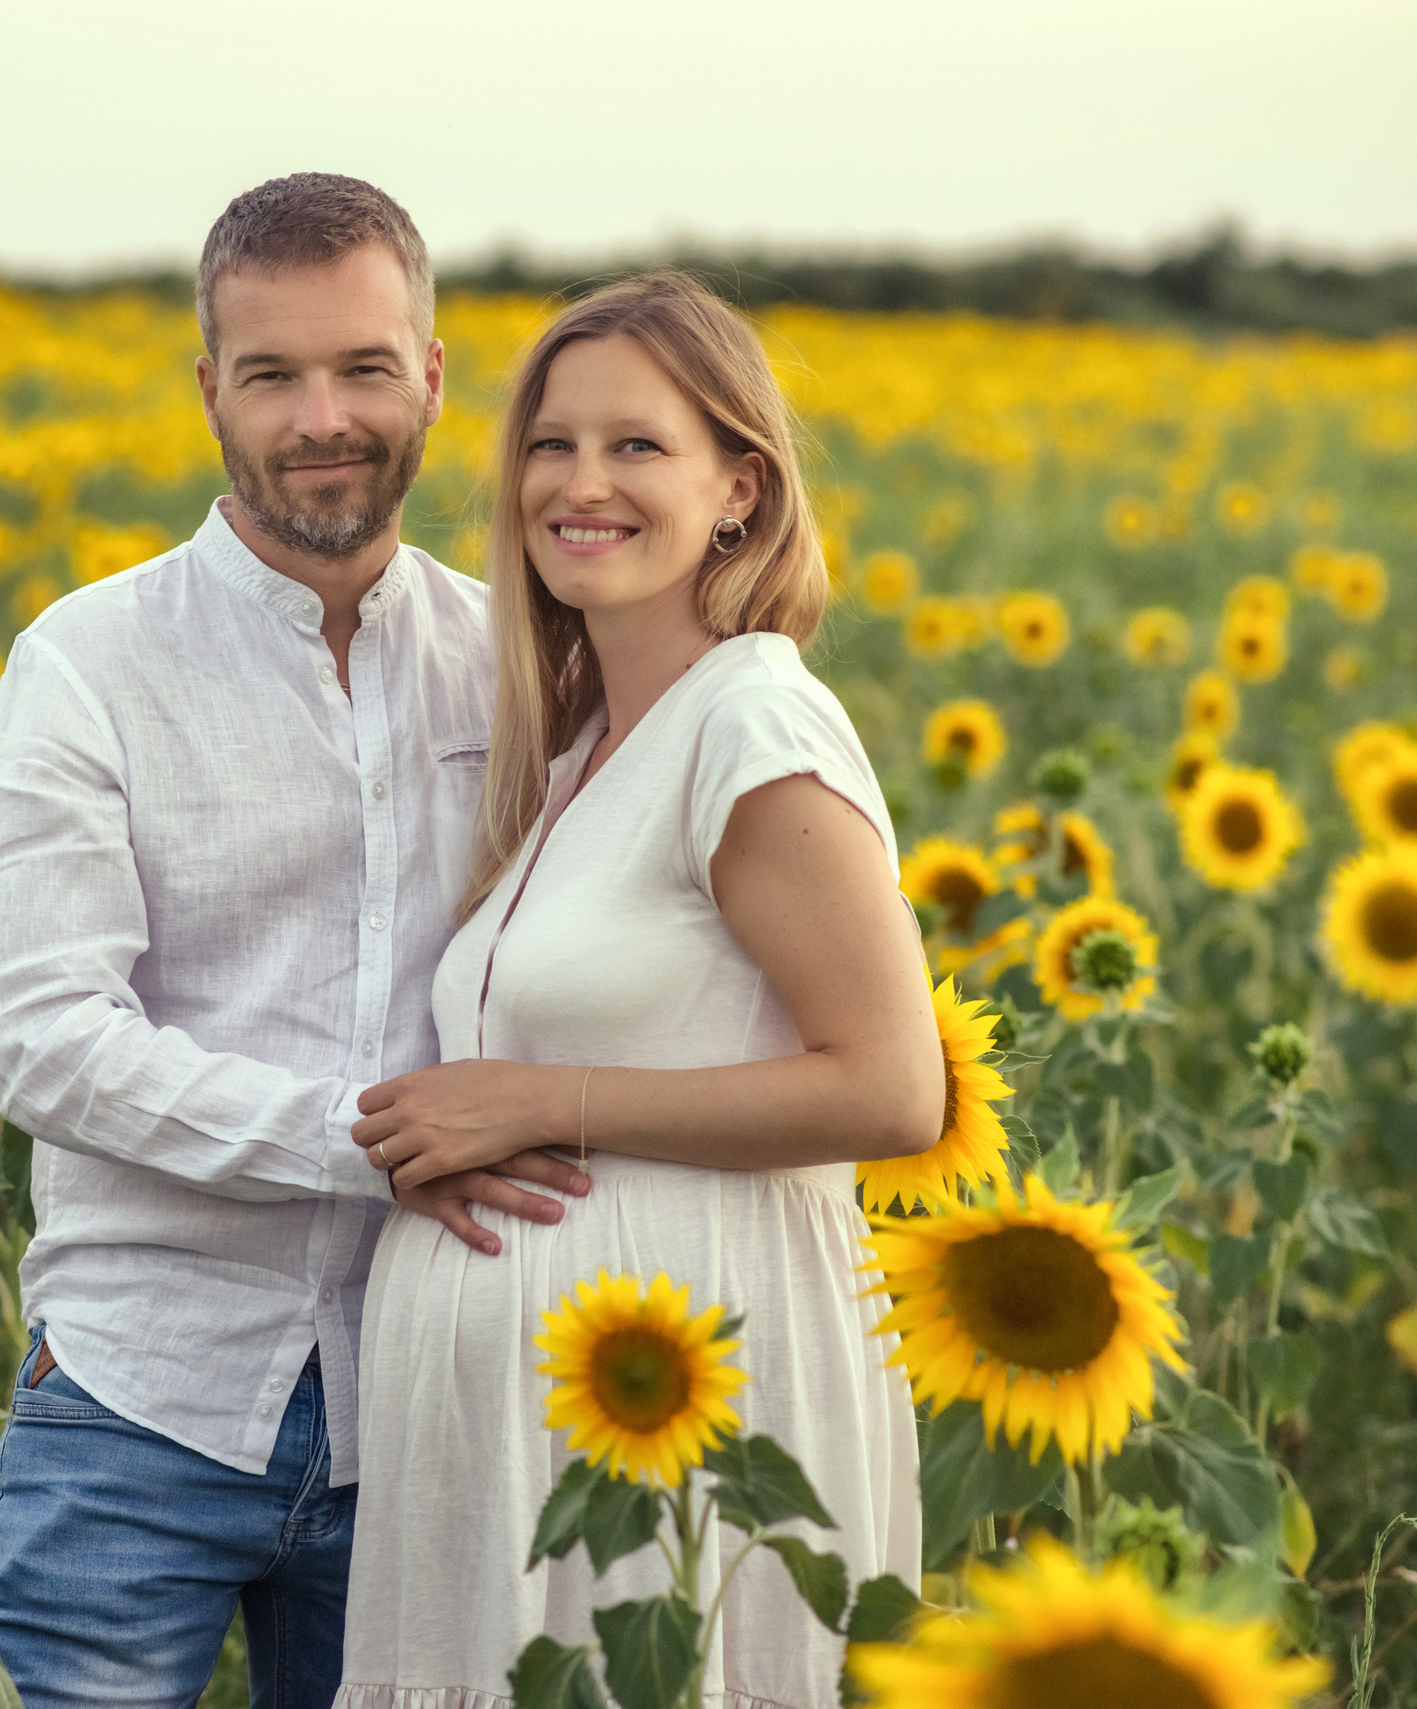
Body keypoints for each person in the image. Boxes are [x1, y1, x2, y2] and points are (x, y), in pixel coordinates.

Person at [0, 173, 591, 1709]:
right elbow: (51, 1040)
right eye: (274, 375)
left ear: (433, 375)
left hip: (433, 1401)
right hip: (145, 1394)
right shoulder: (87, 666)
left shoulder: (514, 665)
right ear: (210, 392)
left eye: (365, 367)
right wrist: (371, 1139)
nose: (324, 416)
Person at [335, 271, 941, 1709]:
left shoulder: (753, 713)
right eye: (551, 444)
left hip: (685, 1439)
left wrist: (542, 1099)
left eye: (637, 446)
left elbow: (893, 1085)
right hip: (535, 1468)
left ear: (741, 488)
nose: (580, 483)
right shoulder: (579, 748)